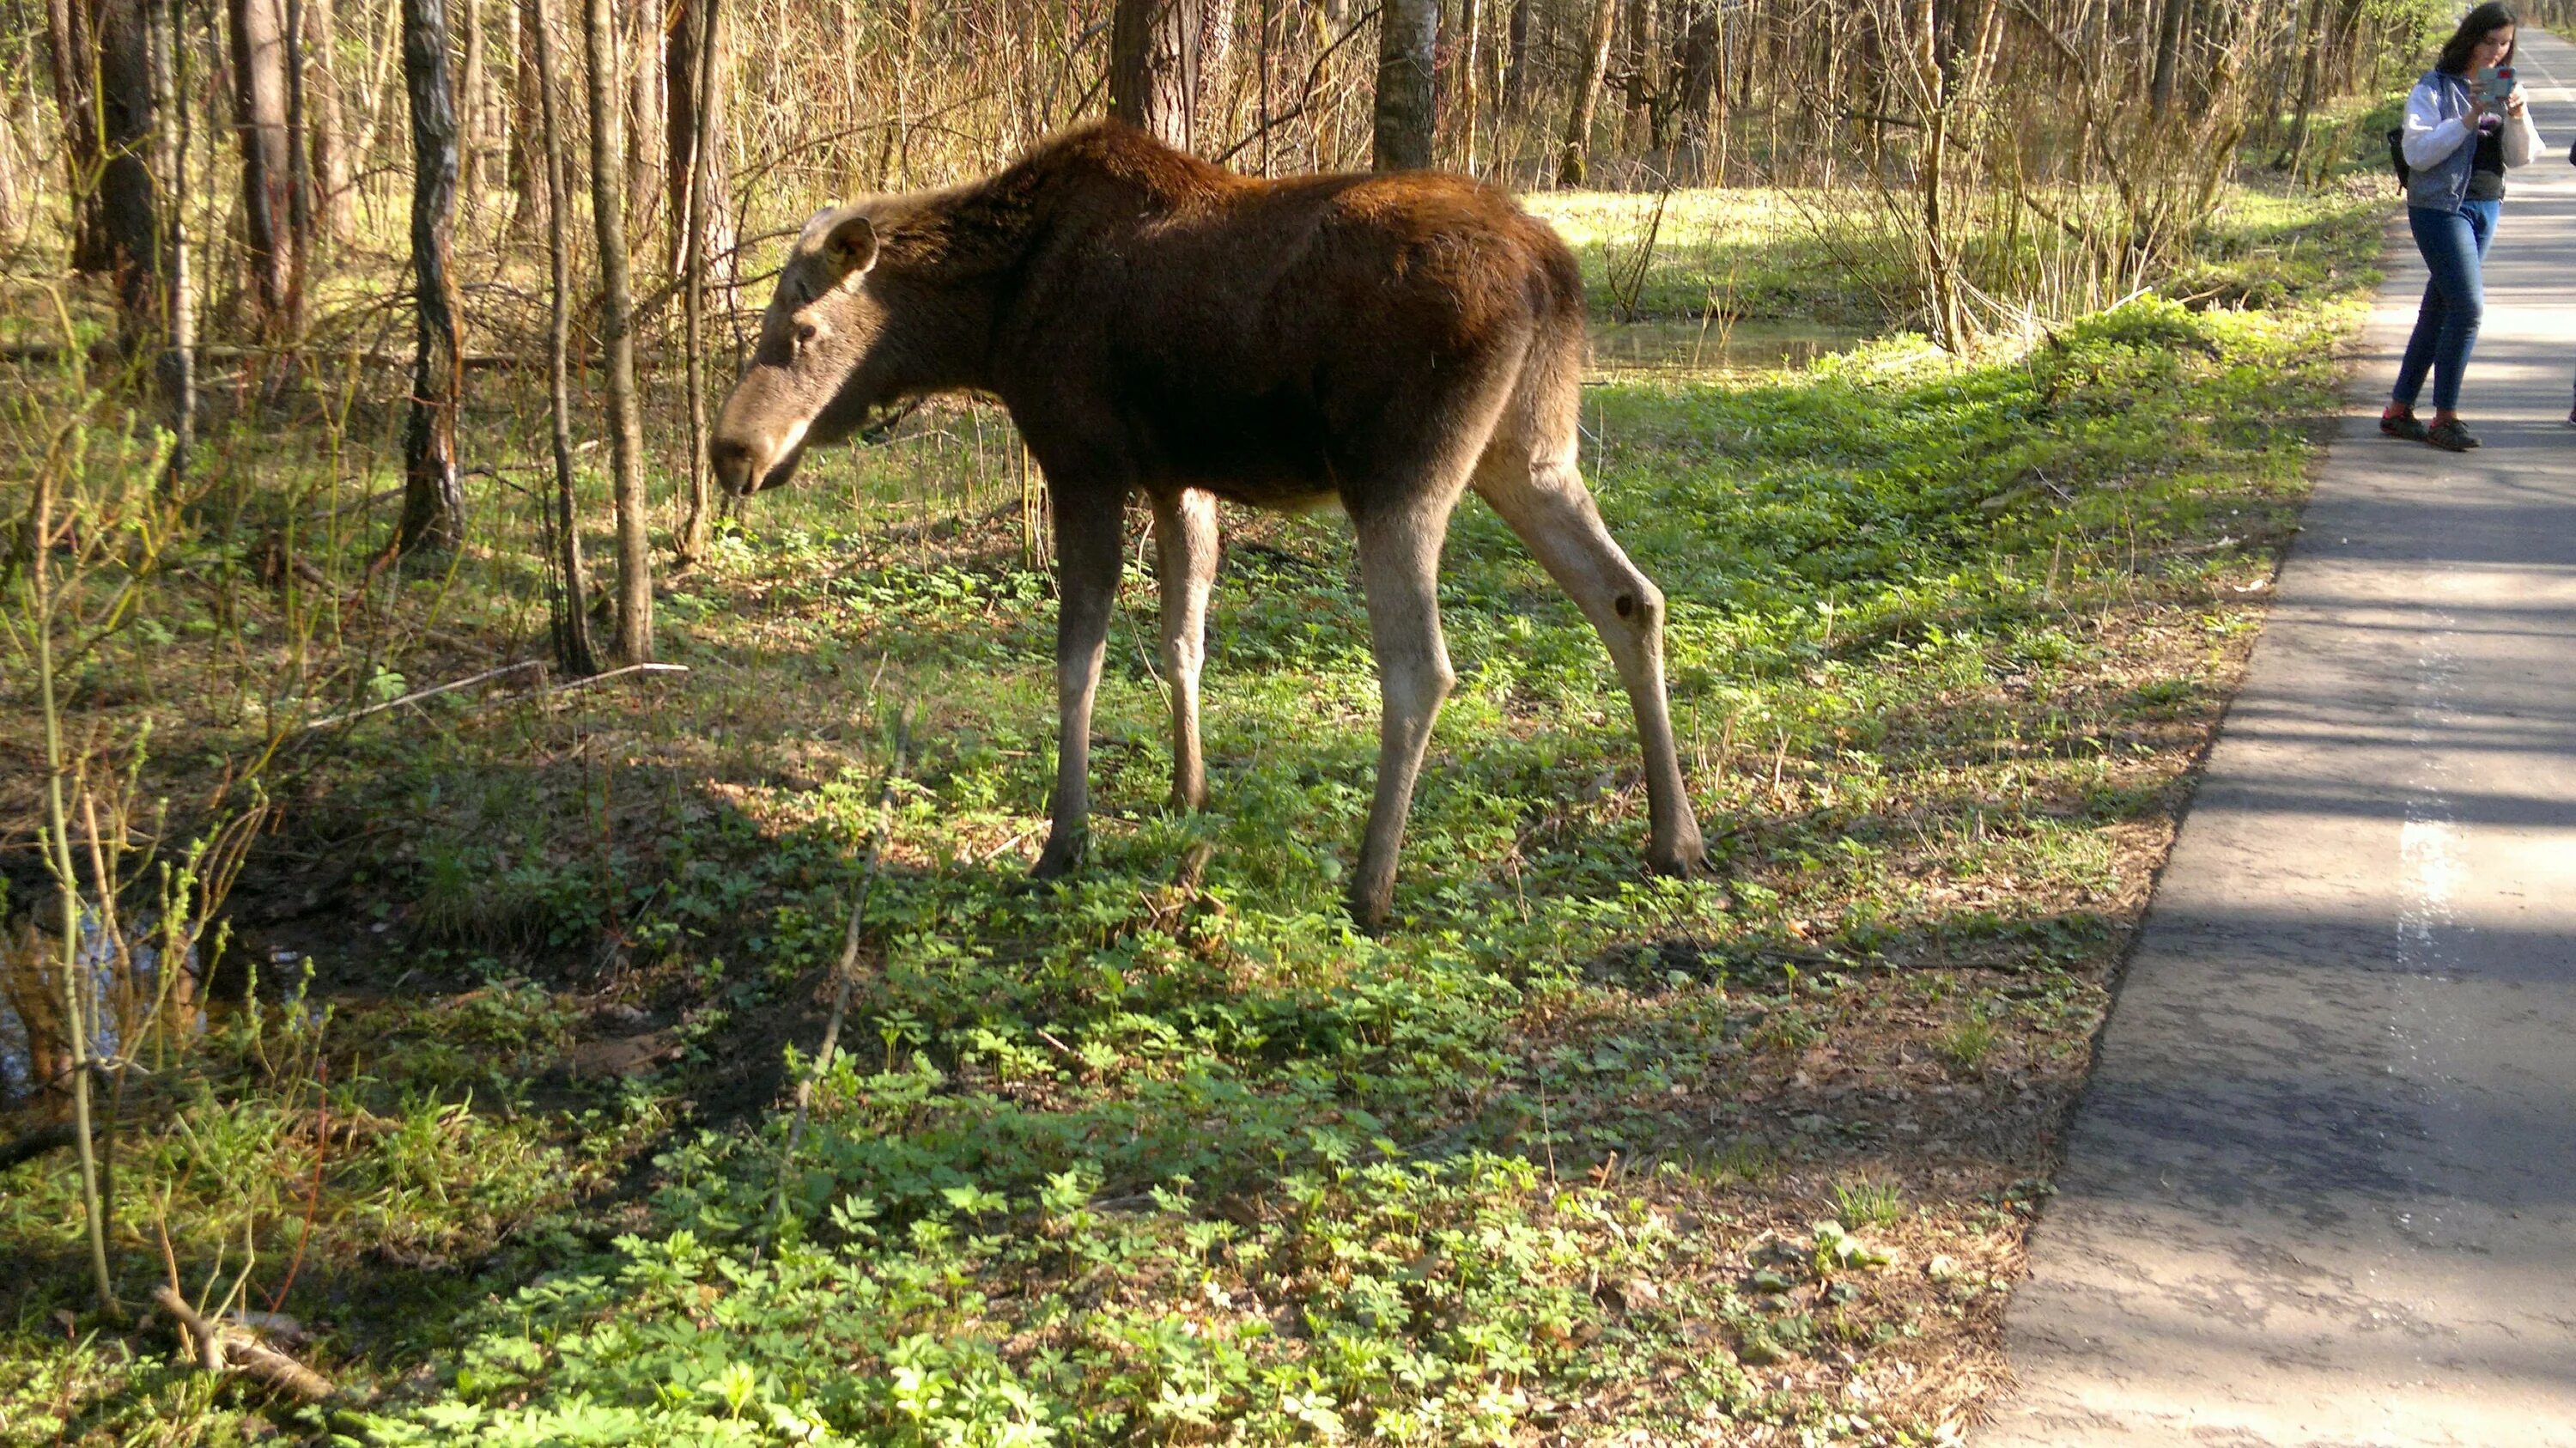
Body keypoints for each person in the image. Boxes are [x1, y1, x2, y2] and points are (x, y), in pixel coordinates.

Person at [2382, 3, 2543, 453]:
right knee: (2468, 308)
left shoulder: (2506, 85)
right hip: (2439, 208)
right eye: (2488, 41)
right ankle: (2445, 416)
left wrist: (2518, 115)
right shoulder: (2434, 88)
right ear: (2470, 39)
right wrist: (2468, 118)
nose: (2495, 51)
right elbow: (2418, 153)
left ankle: (2398, 410)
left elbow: (2521, 157)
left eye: (2504, 43)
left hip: (2486, 205)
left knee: (2441, 307)